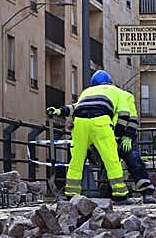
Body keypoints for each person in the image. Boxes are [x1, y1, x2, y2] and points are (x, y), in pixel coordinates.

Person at [47, 71, 130, 201]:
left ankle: (71, 193)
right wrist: (117, 136)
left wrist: (58, 111)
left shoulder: (87, 92)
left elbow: (74, 107)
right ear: (109, 82)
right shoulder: (116, 91)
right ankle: (120, 194)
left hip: (80, 123)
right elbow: (124, 114)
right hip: (100, 122)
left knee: (76, 160)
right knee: (111, 159)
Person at [111, 80, 156, 203]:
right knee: (128, 163)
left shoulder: (124, 96)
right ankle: (116, 194)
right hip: (110, 136)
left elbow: (132, 118)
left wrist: (128, 136)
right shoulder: (119, 95)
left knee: (134, 163)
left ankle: (147, 193)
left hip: (121, 136)